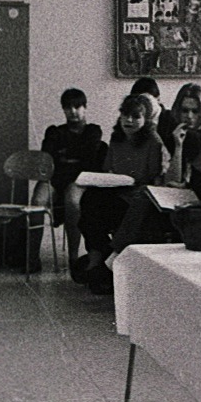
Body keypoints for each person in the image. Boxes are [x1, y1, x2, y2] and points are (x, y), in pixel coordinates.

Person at [78, 94, 169, 293]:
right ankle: (97, 255)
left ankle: (104, 261)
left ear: (145, 120)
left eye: (136, 117)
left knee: (104, 209)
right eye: (125, 116)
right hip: (116, 189)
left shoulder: (153, 141)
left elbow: (153, 175)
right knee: (89, 199)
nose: (129, 121)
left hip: (136, 195)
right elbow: (108, 168)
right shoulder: (116, 138)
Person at [34, 87, 105, 273]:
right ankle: (32, 257)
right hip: (55, 179)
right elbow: (47, 158)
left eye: (77, 107)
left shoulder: (92, 131)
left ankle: (73, 257)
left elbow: (89, 158)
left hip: (79, 180)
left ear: (85, 108)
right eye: (68, 107)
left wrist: (65, 157)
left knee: (72, 201)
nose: (73, 111)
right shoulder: (54, 132)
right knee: (37, 201)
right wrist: (70, 158)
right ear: (63, 110)